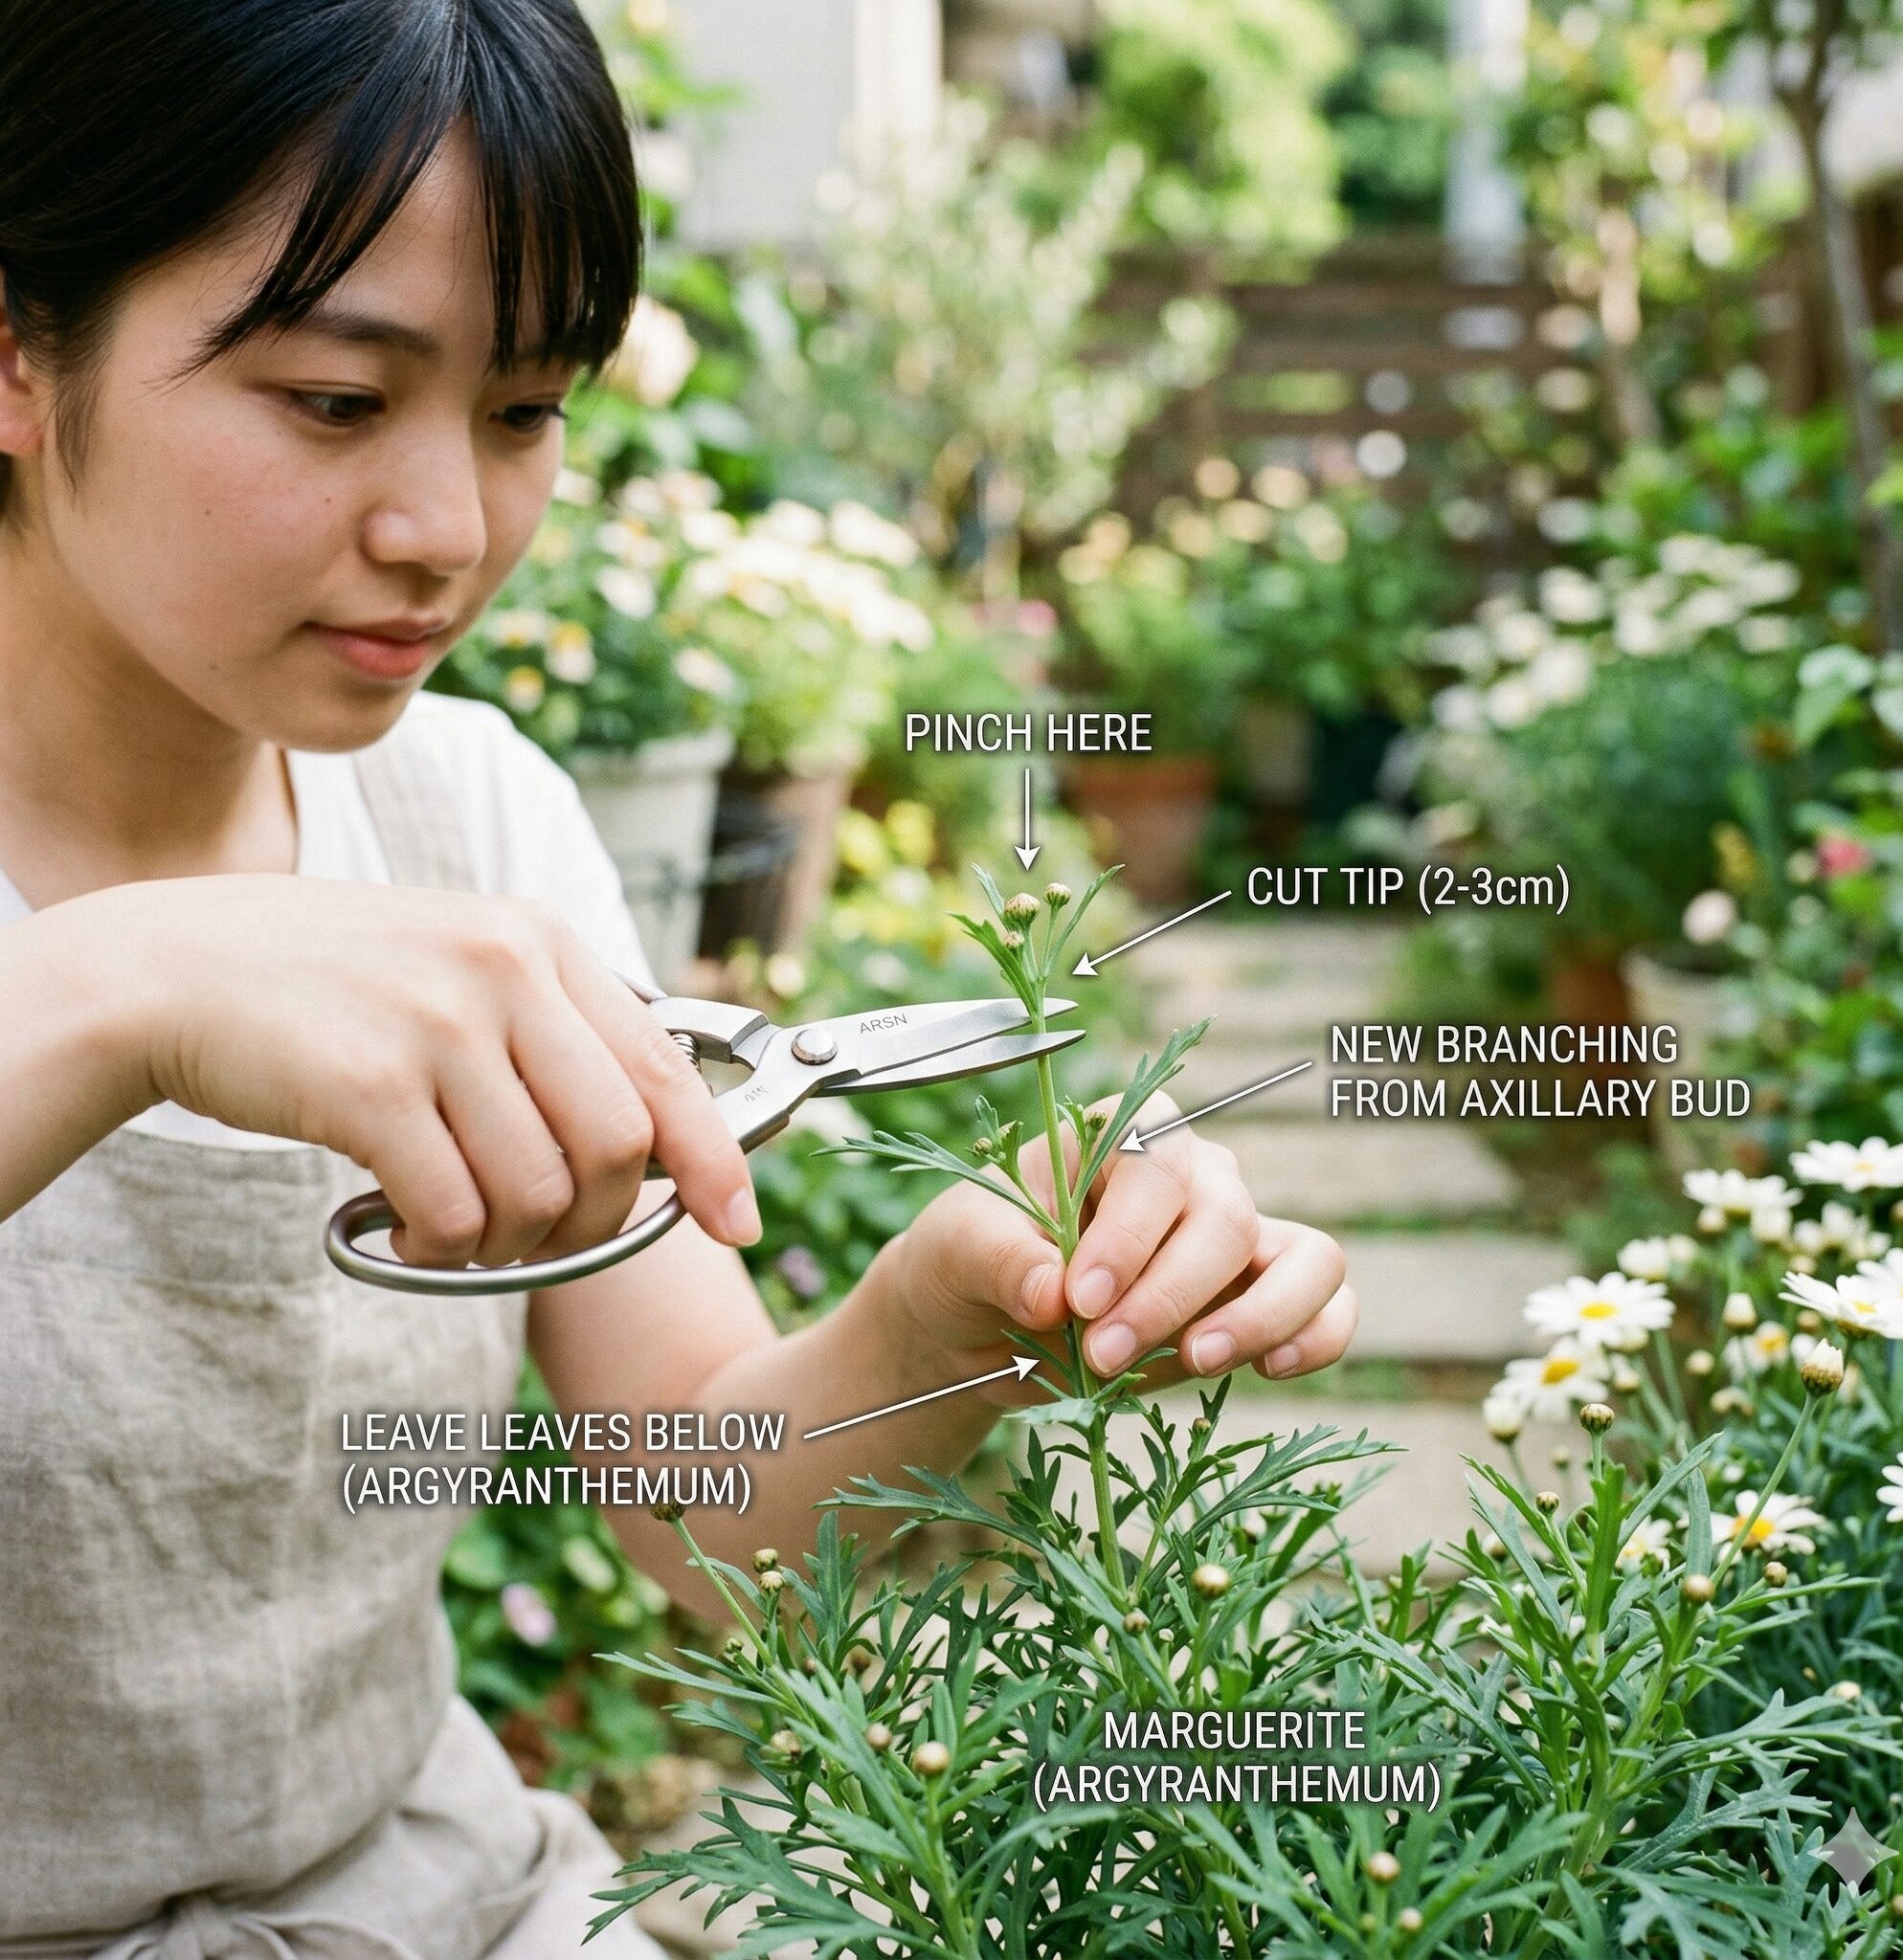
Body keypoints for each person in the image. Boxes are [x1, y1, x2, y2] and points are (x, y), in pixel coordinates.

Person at [0, 1, 1358, 1951]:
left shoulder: (470, 819)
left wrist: (941, 1322)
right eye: (330, 398)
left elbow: (714, 1521)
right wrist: (124, 991)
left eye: (524, 409)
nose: (449, 530)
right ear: (19, 352)